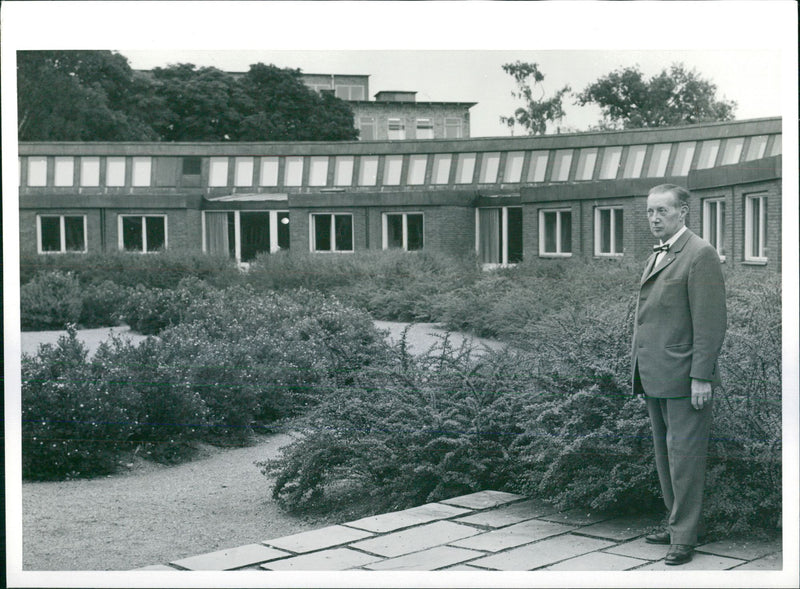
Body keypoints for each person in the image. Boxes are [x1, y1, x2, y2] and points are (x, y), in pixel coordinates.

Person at [632, 184, 727, 566]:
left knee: (684, 458)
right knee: (665, 456)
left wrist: (701, 376)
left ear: (683, 212)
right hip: (655, 374)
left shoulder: (700, 254)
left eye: (663, 211)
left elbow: (710, 322)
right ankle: (678, 525)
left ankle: (685, 538)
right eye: (650, 212)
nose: (654, 218)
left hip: (685, 377)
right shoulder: (660, 253)